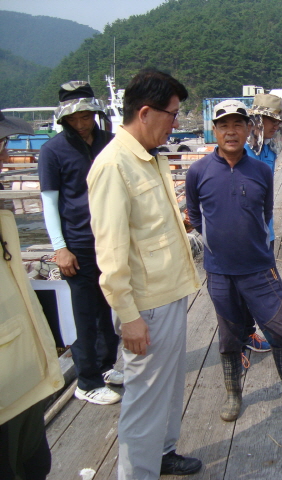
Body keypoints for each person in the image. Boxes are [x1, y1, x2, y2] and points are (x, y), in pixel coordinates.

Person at [87, 68, 202, 479]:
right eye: (173, 115)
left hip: (170, 291)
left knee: (168, 388)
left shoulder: (147, 157)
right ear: (146, 112)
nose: (176, 123)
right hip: (146, 305)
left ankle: (164, 452)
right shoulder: (113, 166)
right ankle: (137, 472)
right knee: (144, 397)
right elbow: (111, 254)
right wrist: (129, 316)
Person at [185, 99, 282, 423]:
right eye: (224, 125)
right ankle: (234, 393)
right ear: (215, 131)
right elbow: (194, 215)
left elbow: (266, 213)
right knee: (229, 336)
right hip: (220, 273)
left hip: (260, 269)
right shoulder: (198, 172)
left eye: (238, 124)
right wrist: (217, 242)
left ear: (249, 129)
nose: (231, 131)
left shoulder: (262, 169)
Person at [38, 81, 123, 406]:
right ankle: (86, 381)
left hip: (109, 240)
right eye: (75, 115)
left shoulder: (108, 142)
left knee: (107, 306)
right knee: (84, 313)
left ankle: (104, 367)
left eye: (87, 113)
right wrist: (60, 247)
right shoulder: (53, 151)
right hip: (77, 244)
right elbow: (49, 202)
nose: (82, 120)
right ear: (64, 118)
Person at [1, 112, 65, 480]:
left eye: (5, 145)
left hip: (23, 373)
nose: (5, 155)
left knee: (35, 463)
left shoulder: (3, 213)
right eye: (2, 145)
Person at [238, 93, 282, 354]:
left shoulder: (270, 151)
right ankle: (245, 334)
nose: (276, 126)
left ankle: (261, 331)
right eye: (271, 121)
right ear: (257, 121)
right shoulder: (240, 150)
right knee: (244, 288)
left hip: (265, 231)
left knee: (267, 285)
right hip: (243, 233)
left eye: (278, 122)